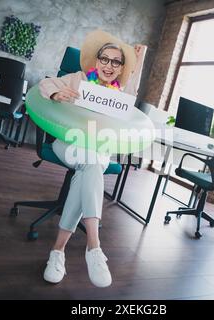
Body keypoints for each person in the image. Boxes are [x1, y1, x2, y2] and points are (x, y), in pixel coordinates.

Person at [38, 29, 147, 287]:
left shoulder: (121, 94)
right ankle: (94, 248)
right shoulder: (78, 79)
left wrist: (138, 61)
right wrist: (57, 94)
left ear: (121, 68)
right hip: (68, 144)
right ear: (97, 61)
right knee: (92, 163)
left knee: (90, 166)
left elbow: (133, 87)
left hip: (96, 152)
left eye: (116, 62)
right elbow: (45, 84)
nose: (109, 66)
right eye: (105, 59)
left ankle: (58, 252)